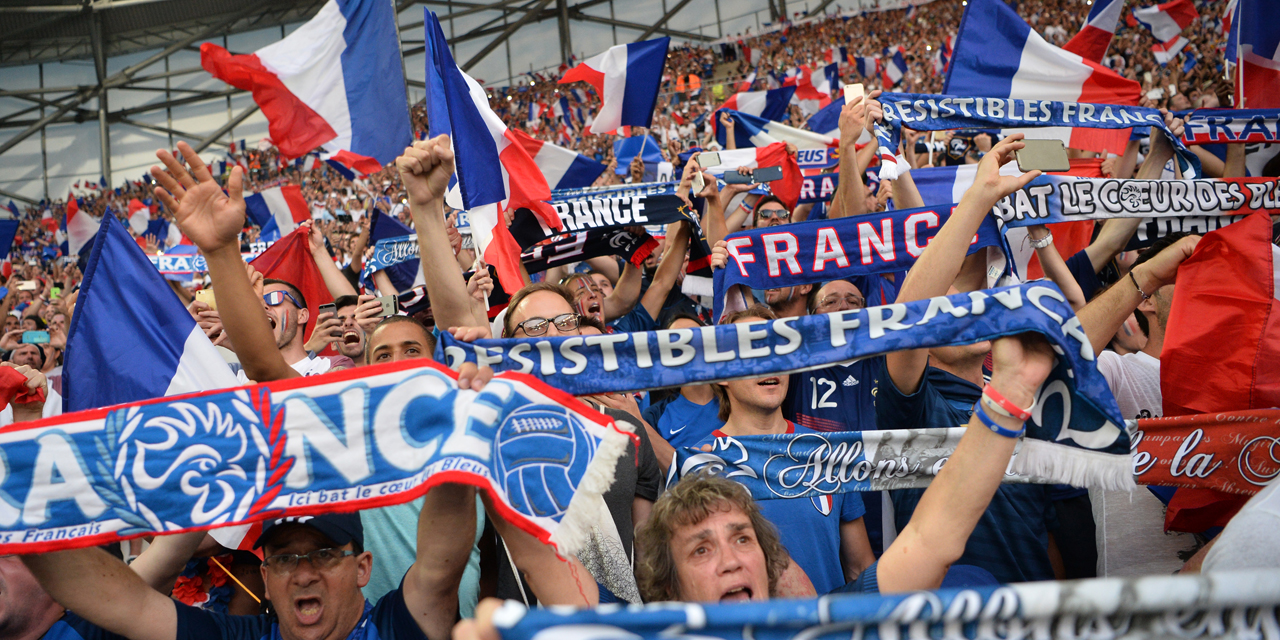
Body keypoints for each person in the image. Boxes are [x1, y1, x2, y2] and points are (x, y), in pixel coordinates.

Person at [875, 134, 1063, 585]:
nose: (969, 311)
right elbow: (910, 319)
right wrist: (979, 198)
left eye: (976, 301)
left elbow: (1047, 531)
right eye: (951, 306)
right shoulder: (913, 407)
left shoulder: (1024, 402)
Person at [696, 305, 875, 595]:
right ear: (721, 373)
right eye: (754, 352)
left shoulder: (828, 451)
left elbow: (860, 568)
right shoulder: (699, 464)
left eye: (778, 352)